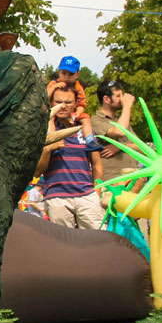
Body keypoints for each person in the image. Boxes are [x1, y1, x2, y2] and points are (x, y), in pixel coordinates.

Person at [36, 83, 104, 228]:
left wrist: (96, 192)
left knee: (97, 238)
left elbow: (97, 164)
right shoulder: (44, 131)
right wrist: (47, 150)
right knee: (62, 241)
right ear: (51, 103)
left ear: (75, 104)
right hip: (57, 197)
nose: (63, 106)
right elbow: (37, 171)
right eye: (58, 102)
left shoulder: (85, 129)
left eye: (68, 102)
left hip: (87, 196)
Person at [45, 55, 101, 151]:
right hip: (53, 111)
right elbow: (44, 98)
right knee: (49, 119)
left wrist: (78, 113)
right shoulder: (53, 83)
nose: (67, 77)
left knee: (86, 119)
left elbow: (81, 103)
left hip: (72, 112)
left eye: (70, 74)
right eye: (64, 73)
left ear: (77, 74)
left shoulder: (78, 87)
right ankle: (52, 139)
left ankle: (90, 140)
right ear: (59, 72)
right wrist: (53, 88)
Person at [90, 79, 138, 181]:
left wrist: (121, 146)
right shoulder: (95, 121)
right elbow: (119, 132)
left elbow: (141, 147)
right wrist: (127, 107)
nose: (122, 99)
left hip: (133, 181)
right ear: (107, 99)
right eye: (118, 96)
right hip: (111, 182)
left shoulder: (122, 121)